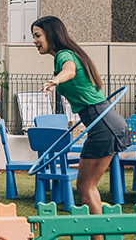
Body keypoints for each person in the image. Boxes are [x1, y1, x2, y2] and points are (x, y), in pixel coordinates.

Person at [32, 16, 129, 224]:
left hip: (102, 124)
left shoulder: (64, 55)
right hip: (108, 122)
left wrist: (56, 80)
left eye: (37, 35)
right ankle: (99, 232)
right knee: (87, 187)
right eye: (34, 36)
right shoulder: (70, 53)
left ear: (51, 34)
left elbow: (70, 70)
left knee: (86, 187)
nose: (34, 40)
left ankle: (98, 236)